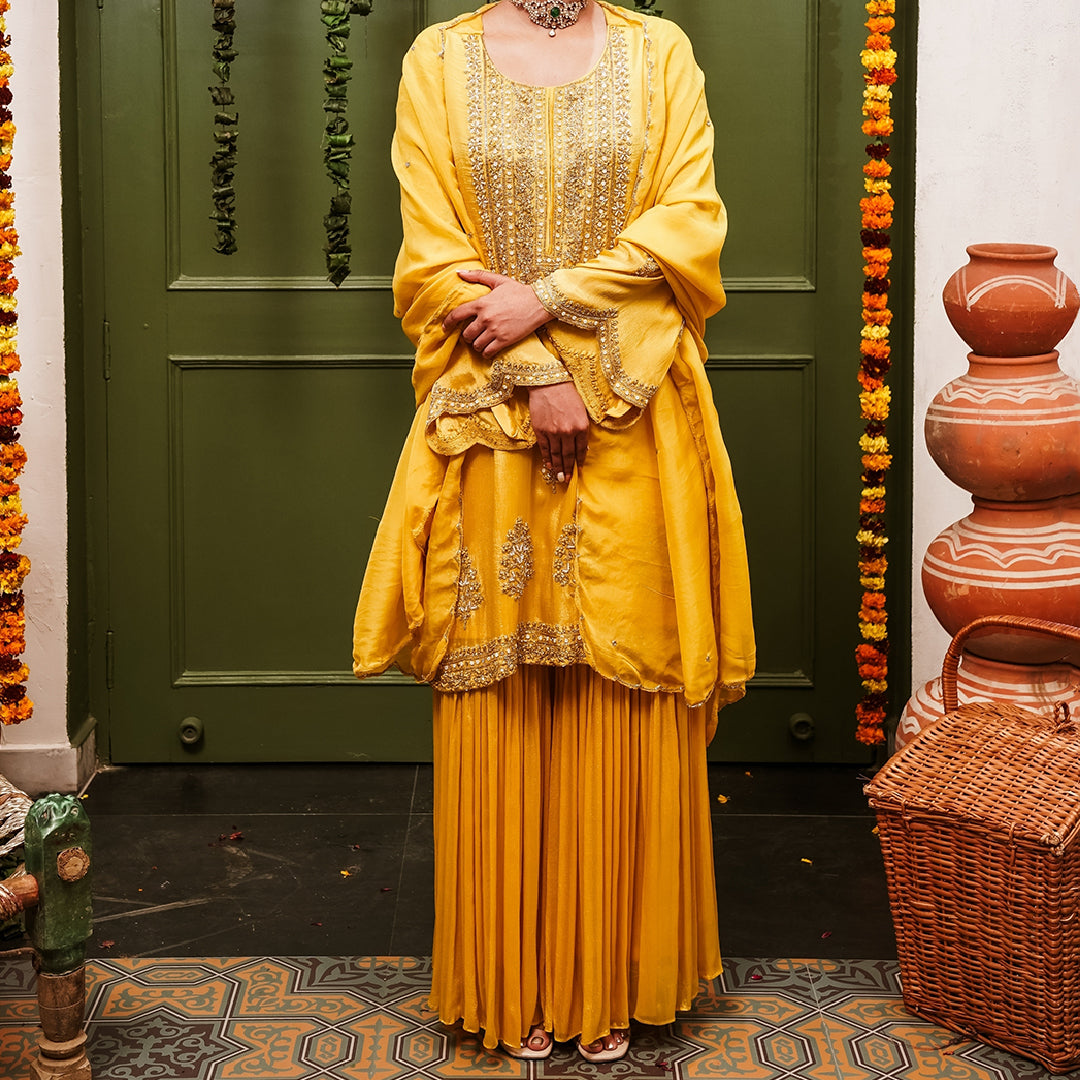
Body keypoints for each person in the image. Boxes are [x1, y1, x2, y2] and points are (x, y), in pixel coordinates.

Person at [353, 0, 755, 1063]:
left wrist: (550, 300)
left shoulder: (657, 51)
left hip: (644, 402)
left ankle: (617, 974)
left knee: (622, 678)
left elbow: (687, 226)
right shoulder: (437, 61)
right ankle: (514, 976)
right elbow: (433, 257)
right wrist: (534, 373)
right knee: (507, 678)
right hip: (489, 410)